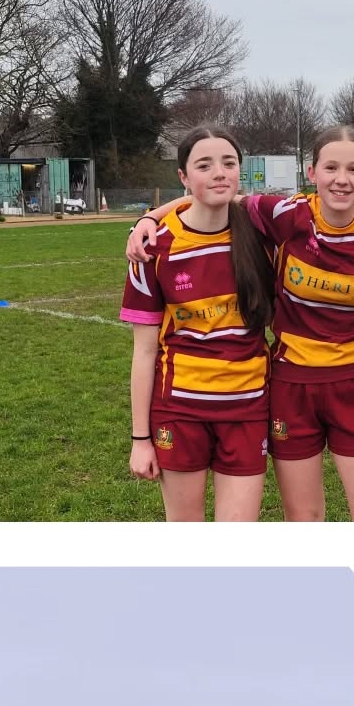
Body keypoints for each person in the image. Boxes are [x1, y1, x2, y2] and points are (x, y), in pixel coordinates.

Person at [129, 125, 354, 522]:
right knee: (297, 520)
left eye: (353, 169)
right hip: (273, 389)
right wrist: (147, 219)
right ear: (312, 173)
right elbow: (213, 198)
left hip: (332, 387)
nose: (341, 179)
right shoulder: (281, 216)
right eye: (330, 168)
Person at [120, 128, 274, 522]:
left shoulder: (263, 233)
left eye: (229, 163)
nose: (219, 173)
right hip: (179, 412)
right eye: (204, 166)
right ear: (183, 178)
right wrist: (140, 439)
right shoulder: (152, 249)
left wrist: (149, 214)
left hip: (247, 408)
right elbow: (143, 351)